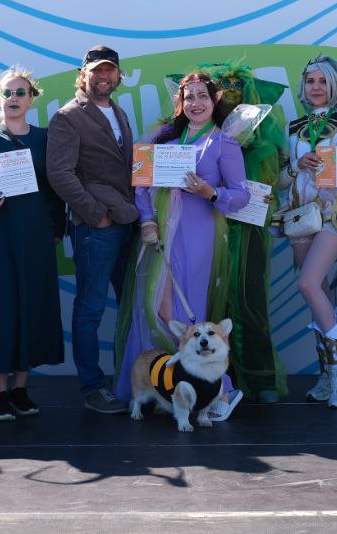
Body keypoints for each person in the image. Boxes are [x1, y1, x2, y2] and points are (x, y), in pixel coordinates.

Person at [112, 72, 250, 420]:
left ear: (214, 100)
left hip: (198, 235)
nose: (196, 103)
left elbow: (241, 195)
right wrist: (146, 220)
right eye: (189, 97)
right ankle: (162, 386)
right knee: (156, 306)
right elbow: (142, 185)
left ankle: (217, 391)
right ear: (180, 102)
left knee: (186, 312)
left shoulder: (224, 144)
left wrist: (210, 192)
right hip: (160, 234)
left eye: (202, 96)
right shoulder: (163, 138)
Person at [0, 67, 66, 421]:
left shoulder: (46, 139)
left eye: (21, 92)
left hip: (36, 236)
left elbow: (55, 190)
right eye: (7, 92)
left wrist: (57, 228)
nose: (14, 98)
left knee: (32, 308)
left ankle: (21, 389)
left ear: (31, 98)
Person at [187, 60, 288, 404]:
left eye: (237, 88)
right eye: (224, 88)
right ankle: (211, 381)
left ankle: (260, 378)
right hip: (204, 226)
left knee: (249, 298)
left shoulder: (263, 139)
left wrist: (269, 194)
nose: (230, 94)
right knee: (206, 300)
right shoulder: (196, 132)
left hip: (248, 230)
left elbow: (275, 180)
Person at [47, 45, 138, 414]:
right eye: (96, 70)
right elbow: (60, 174)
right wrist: (95, 214)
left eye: (109, 70)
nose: (103, 76)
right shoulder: (67, 117)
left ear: (118, 76)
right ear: (82, 75)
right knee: (90, 308)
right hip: (96, 228)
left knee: (132, 305)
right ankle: (92, 387)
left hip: (127, 223)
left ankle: (130, 381)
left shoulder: (119, 111)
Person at [278, 55, 337, 408]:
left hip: (334, 215)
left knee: (308, 283)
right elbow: (281, 180)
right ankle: (326, 372)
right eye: (310, 81)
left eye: (323, 81)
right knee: (318, 293)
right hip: (301, 216)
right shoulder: (293, 127)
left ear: (336, 85)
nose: (316, 87)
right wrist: (297, 166)